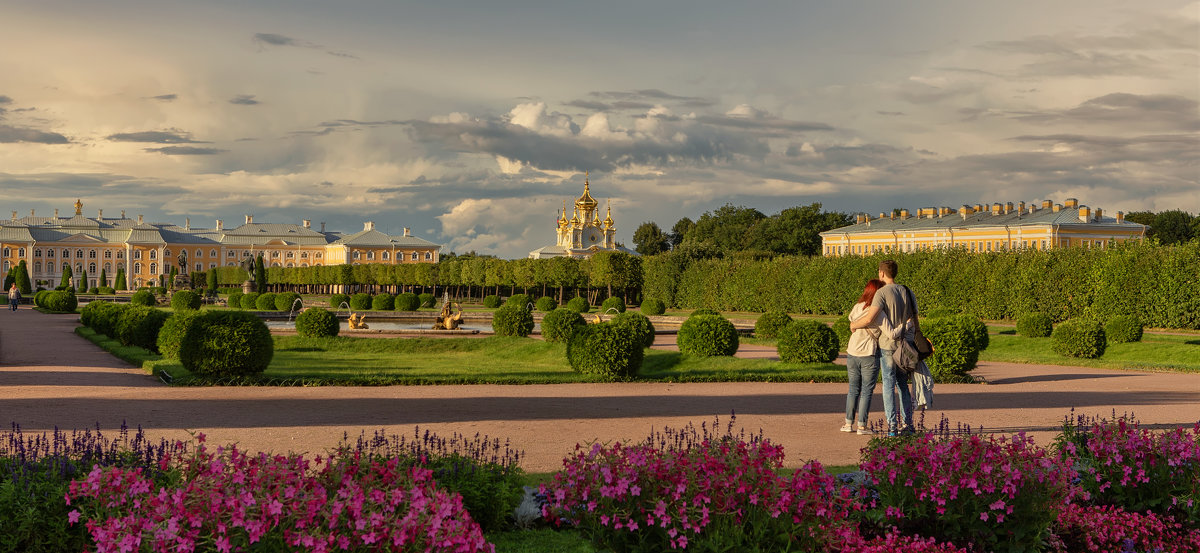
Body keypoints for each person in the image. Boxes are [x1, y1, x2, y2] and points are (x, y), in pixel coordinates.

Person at [850, 260, 923, 436]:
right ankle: (908, 424)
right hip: (906, 345)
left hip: (888, 346)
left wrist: (853, 325)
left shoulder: (881, 293)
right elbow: (916, 318)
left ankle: (892, 426)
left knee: (888, 385)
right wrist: (917, 337)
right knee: (904, 385)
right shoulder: (907, 291)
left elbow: (869, 318)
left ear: (882, 273)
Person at [842, 279, 888, 435]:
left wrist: (855, 325)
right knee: (867, 391)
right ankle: (862, 426)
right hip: (869, 353)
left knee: (853, 389)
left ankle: (848, 424)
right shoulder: (880, 312)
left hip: (852, 352)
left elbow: (852, 323)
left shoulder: (856, 307)